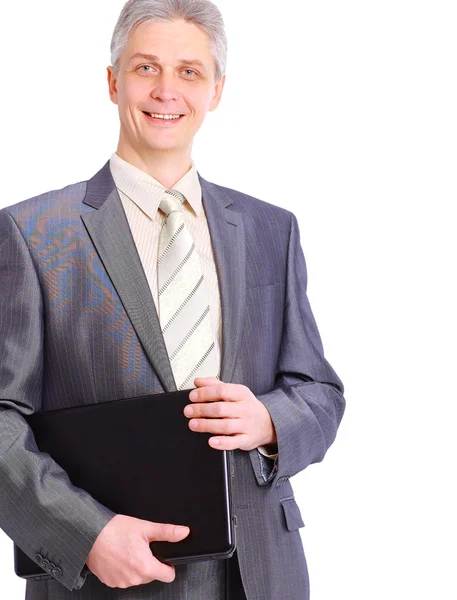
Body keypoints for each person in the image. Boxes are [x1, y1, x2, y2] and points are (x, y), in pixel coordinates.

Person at [0, 0, 345, 598]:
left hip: (259, 574)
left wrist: (269, 421)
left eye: (189, 71)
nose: (166, 90)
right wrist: (87, 536)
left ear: (217, 90)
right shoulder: (34, 234)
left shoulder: (271, 230)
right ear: (112, 81)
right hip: (107, 578)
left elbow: (320, 392)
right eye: (145, 68)